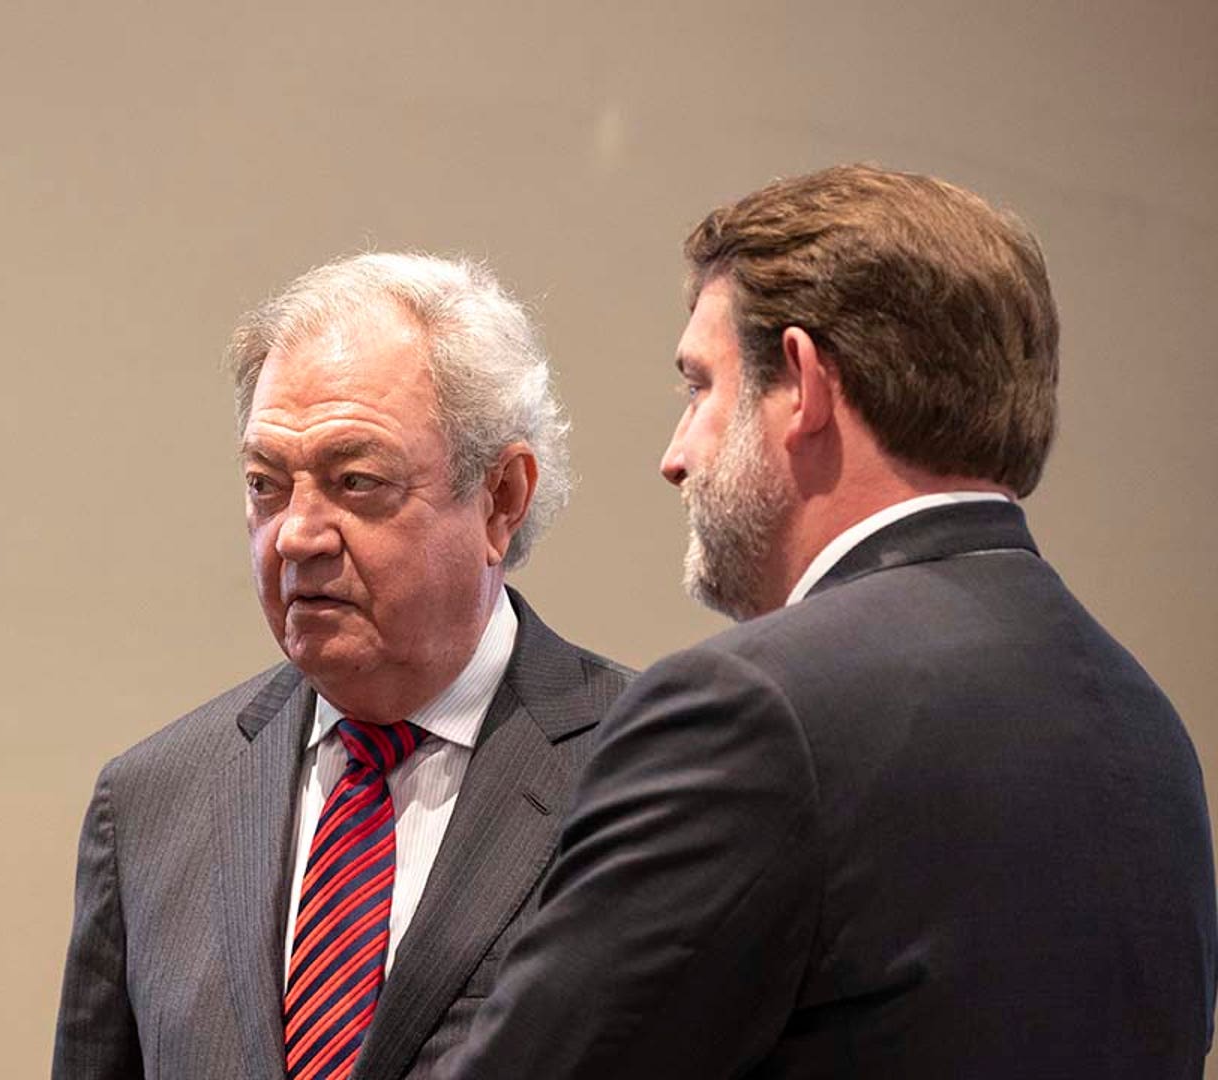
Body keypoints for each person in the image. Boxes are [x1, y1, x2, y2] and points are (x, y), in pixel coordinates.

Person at [442, 164, 1218, 1078]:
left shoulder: (750, 711)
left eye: (699, 388)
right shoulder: (1147, 725)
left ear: (803, 384)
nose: (675, 456)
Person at [52, 252, 634, 1080]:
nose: (296, 534)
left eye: (355, 481)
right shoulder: (152, 802)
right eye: (266, 485)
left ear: (503, 496)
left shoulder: (647, 773)